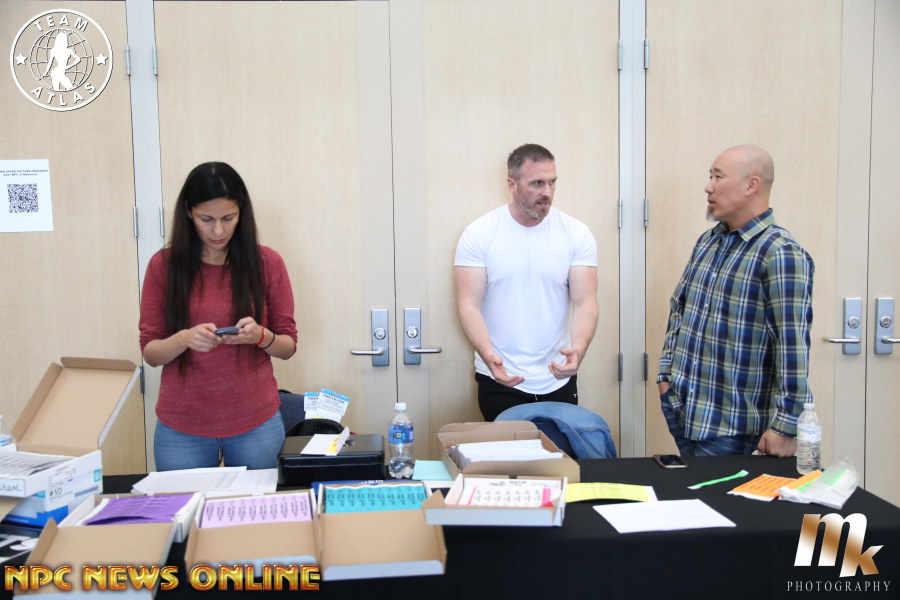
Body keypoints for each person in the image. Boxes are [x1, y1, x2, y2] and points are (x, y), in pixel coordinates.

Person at [657, 144, 814, 457]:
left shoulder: (780, 253)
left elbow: (792, 346)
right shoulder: (708, 242)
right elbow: (679, 310)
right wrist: (665, 377)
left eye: (718, 177)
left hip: (732, 429)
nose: (708, 187)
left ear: (751, 185)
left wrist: (786, 427)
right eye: (710, 176)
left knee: (720, 493)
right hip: (684, 412)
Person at [139, 162, 298, 470]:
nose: (218, 231)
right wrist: (184, 339)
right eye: (206, 219)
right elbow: (151, 353)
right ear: (188, 212)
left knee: (260, 503)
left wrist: (261, 337)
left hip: (256, 423)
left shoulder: (267, 263)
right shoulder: (163, 266)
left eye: (228, 218)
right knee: (184, 503)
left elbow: (288, 346)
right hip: (182, 426)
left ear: (242, 212)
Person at [454, 143, 599, 421]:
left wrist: (579, 348)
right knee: (509, 450)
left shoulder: (576, 233)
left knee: (560, 450)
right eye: (537, 183)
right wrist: (488, 354)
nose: (547, 192)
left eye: (552, 182)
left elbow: (585, 303)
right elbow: (468, 305)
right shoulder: (479, 233)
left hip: (558, 378)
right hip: (499, 377)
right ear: (512, 184)